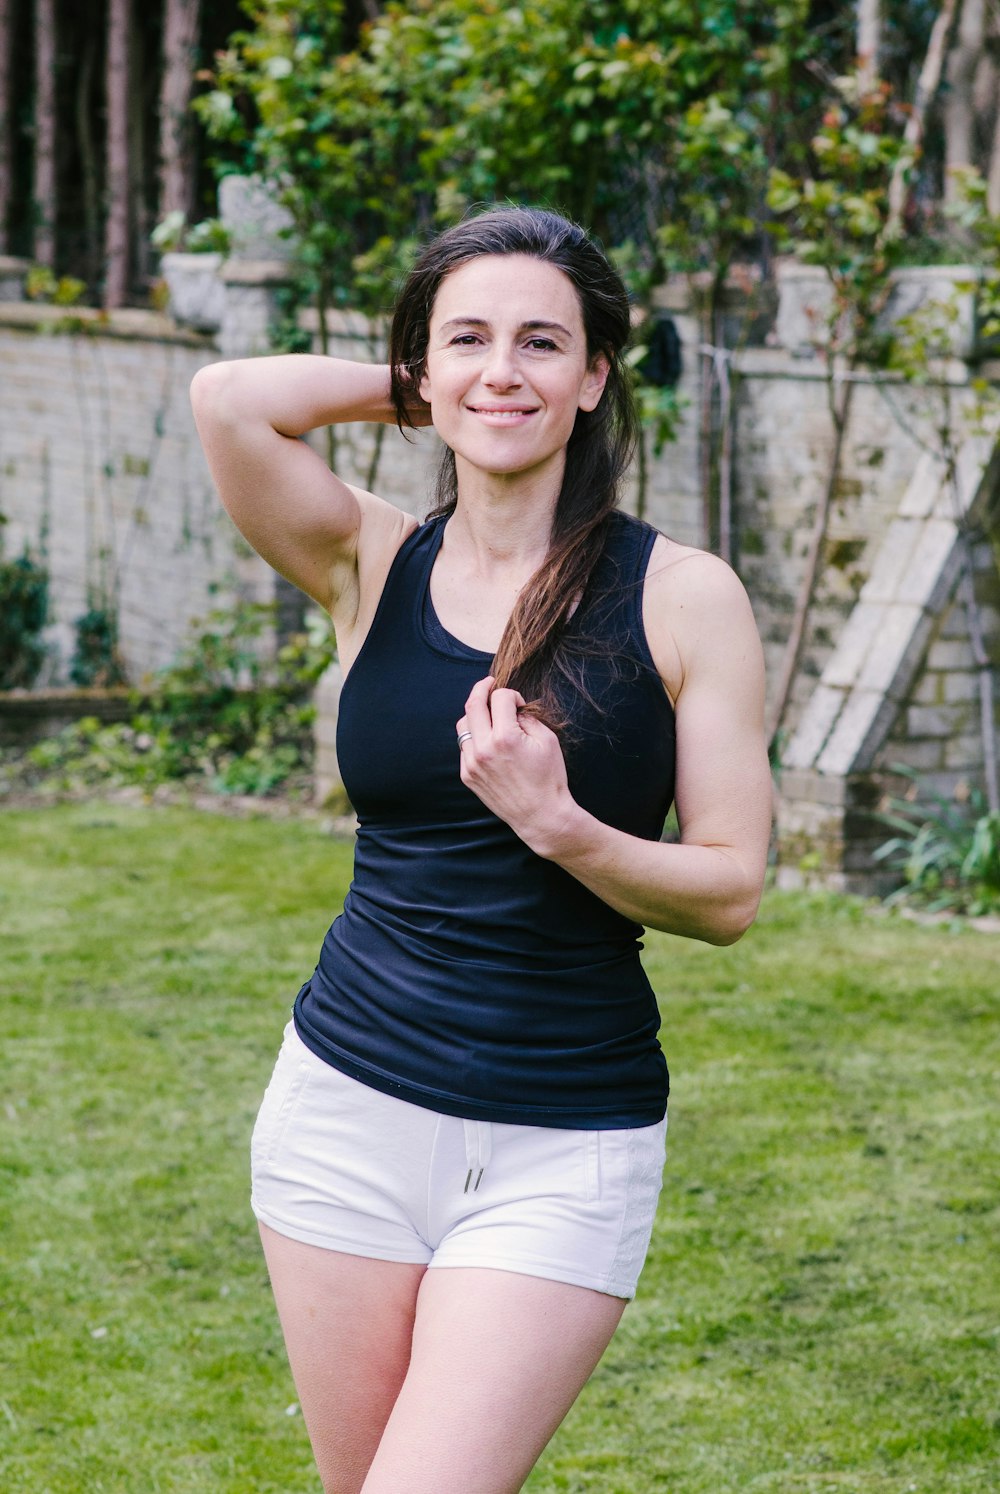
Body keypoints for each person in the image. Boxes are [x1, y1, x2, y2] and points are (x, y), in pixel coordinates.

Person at [190, 205, 772, 1494]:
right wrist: (443, 390)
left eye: (541, 345)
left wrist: (560, 826)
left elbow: (731, 889)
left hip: (562, 1140)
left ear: (596, 376)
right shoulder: (369, 559)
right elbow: (230, 399)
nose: (505, 369)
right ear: (420, 369)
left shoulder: (682, 596)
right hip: (343, 1111)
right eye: (468, 340)